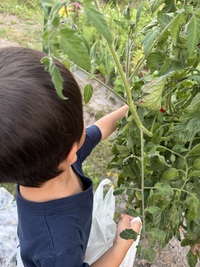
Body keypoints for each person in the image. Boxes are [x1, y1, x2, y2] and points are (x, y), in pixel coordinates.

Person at [0, 46, 141, 267]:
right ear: (70, 153)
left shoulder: (43, 165)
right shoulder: (57, 247)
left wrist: (133, 110)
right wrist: (120, 246)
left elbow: (101, 129)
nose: (87, 124)